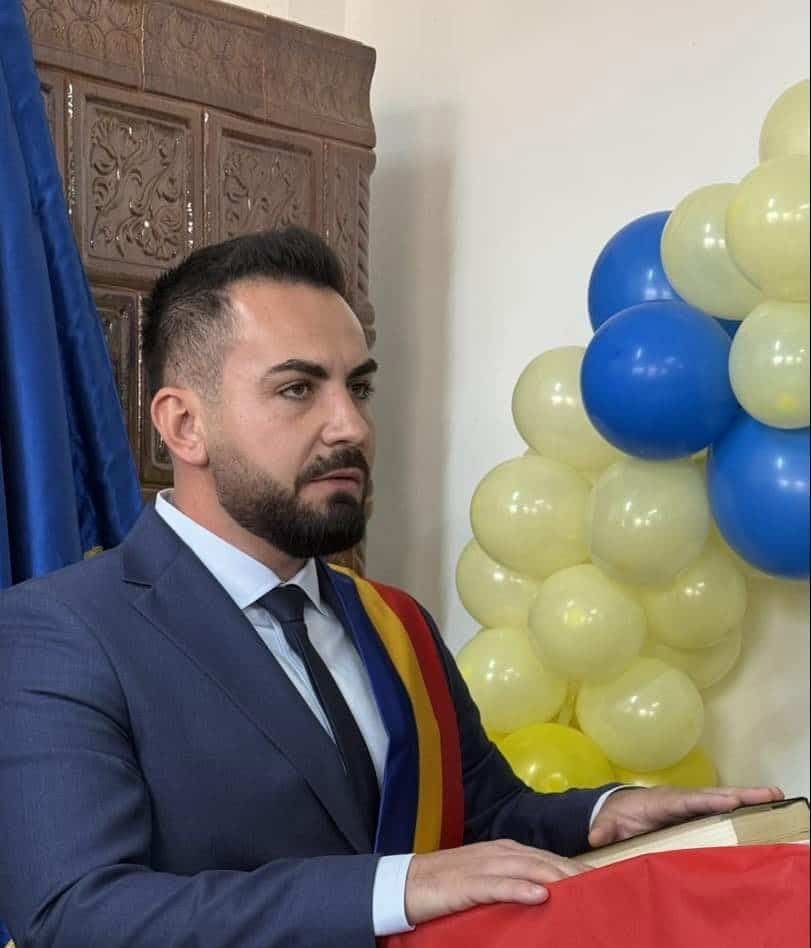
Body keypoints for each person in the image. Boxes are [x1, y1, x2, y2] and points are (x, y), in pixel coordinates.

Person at [0, 227, 782, 947]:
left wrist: (604, 815)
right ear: (184, 425)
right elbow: (76, 915)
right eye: (297, 389)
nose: (351, 426)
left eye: (359, 388)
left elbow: (478, 815)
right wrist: (394, 887)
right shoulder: (60, 633)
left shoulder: (393, 621)